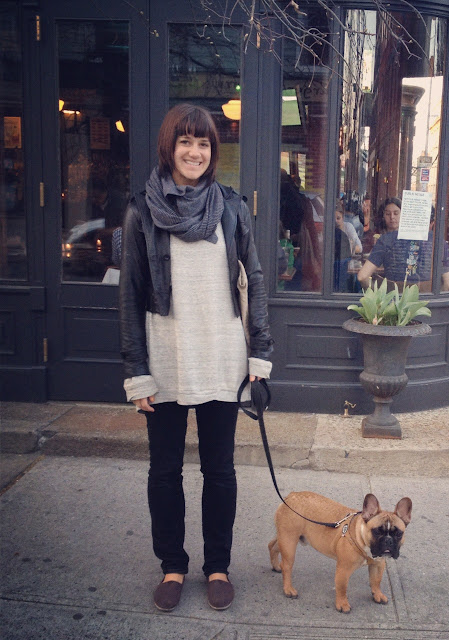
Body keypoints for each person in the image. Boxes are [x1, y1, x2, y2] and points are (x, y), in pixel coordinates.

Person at [119, 103, 273, 614]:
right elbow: (130, 295)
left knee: (219, 471)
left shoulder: (231, 208)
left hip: (223, 359)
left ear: (213, 151)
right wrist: (137, 373)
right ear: (169, 147)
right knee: (164, 472)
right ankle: (172, 565)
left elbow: (255, 281)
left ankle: (218, 566)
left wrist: (260, 355)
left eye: (203, 143)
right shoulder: (141, 212)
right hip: (165, 361)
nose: (194, 151)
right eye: (185, 141)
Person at [357, 197, 449, 292]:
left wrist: (378, 296)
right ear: (431, 223)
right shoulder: (439, 243)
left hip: (393, 302)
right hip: (428, 302)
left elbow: (362, 276)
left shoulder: (386, 240)